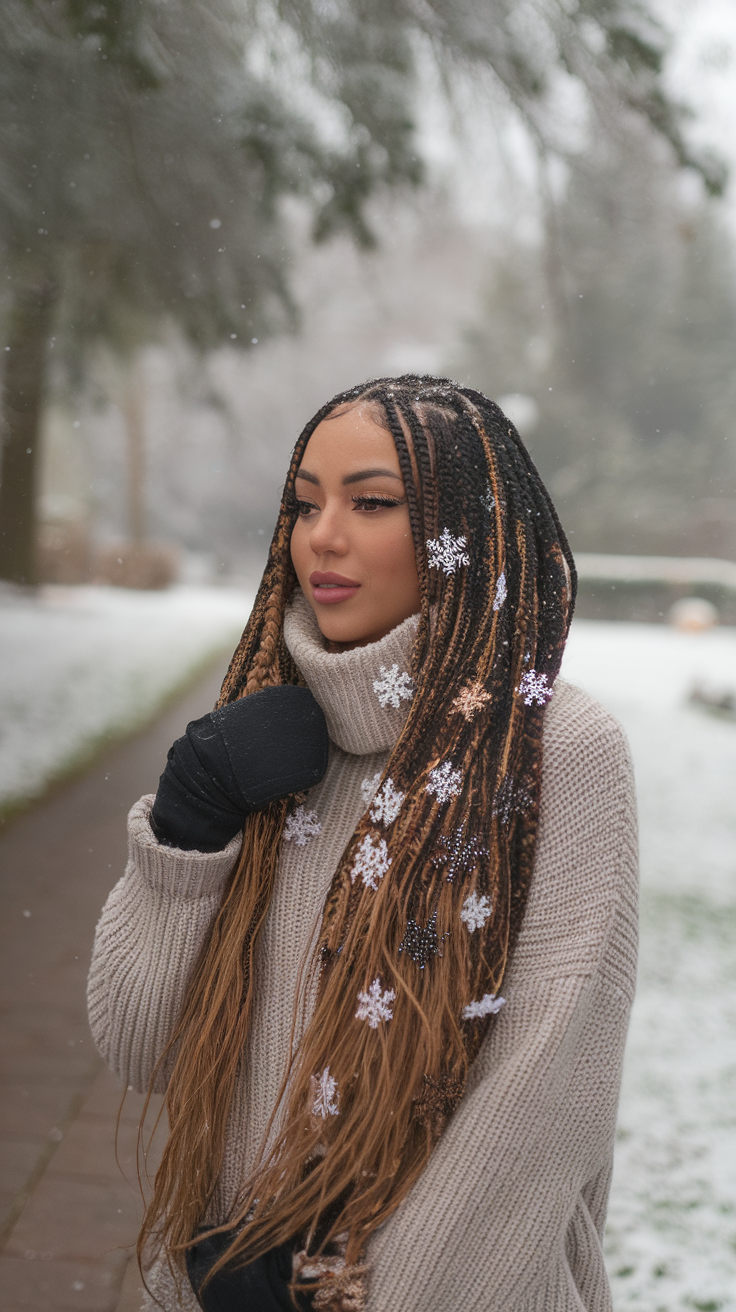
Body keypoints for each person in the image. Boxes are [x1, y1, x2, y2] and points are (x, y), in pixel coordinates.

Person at [88, 376, 638, 1312]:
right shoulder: (261, 741)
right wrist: (186, 833)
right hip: (214, 1282)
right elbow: (139, 1046)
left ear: (467, 535)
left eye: (372, 503)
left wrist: (344, 1296)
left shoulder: (553, 752)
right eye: (305, 504)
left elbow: (541, 1109)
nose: (323, 537)